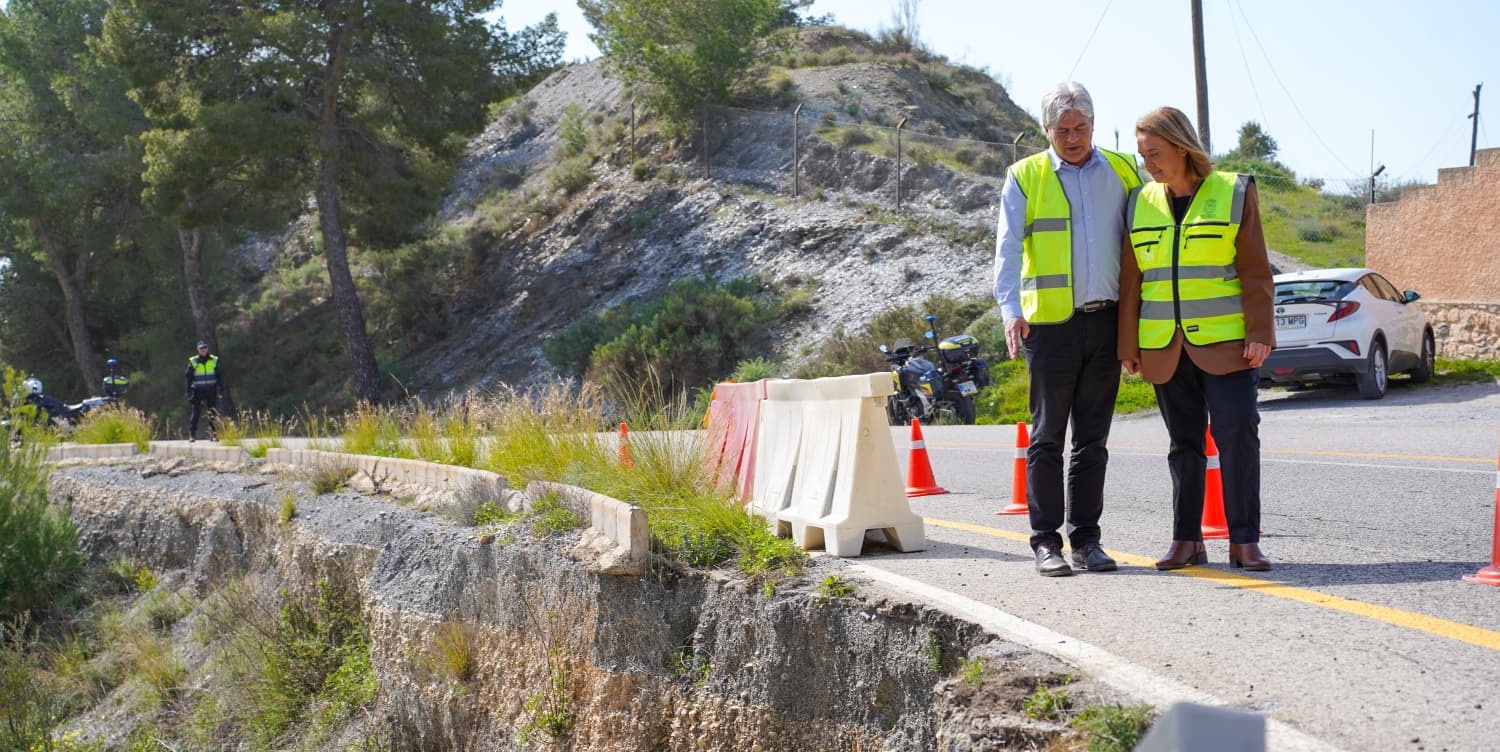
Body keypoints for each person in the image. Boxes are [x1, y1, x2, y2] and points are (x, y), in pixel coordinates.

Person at [993, 82, 1142, 577]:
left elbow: (1142, 243)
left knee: (1093, 440)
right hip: (1050, 327)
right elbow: (1008, 249)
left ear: (1094, 125)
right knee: (1047, 438)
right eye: (1063, 130)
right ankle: (1045, 541)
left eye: (1081, 128)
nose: (1073, 138)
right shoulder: (1025, 175)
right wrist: (1010, 309)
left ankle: (1087, 539)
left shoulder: (1123, 170)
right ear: (1046, 130)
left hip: (1107, 320)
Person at [1119, 106, 1275, 572]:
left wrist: (1260, 332)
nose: (1149, 163)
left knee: (1238, 439)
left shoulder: (1232, 191)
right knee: (1183, 446)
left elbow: (1254, 269)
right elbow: (1132, 281)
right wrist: (1129, 346)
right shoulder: (1138, 202)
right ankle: (1186, 541)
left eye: (1156, 153)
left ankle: (1244, 541)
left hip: (1228, 345)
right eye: (1143, 154)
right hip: (1164, 345)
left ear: (1182, 148)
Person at [185, 340, 224, 442]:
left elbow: (219, 376)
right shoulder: (193, 361)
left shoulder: (214, 360)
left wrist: (221, 389)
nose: (203, 350)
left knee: (213, 412)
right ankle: (192, 435)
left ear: (207, 348)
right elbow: (188, 378)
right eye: (201, 348)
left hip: (211, 389)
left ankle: (214, 434)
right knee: (196, 413)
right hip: (198, 390)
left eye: (205, 348)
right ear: (198, 349)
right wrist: (188, 392)